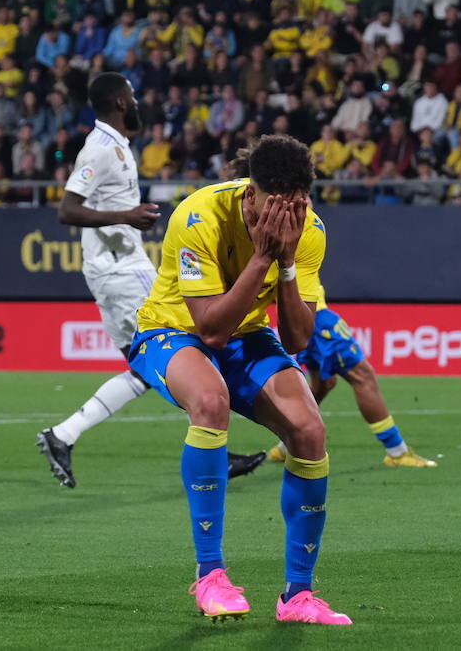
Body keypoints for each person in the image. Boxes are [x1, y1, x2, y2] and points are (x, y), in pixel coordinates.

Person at [129, 134, 351, 625]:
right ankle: (211, 575)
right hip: (171, 330)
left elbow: (295, 339)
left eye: (295, 207)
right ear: (251, 194)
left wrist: (287, 262)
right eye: (272, 209)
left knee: (310, 430)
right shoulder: (198, 216)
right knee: (211, 399)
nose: (281, 220)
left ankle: (298, 596)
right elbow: (209, 328)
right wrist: (261, 257)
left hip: (246, 334)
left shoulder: (307, 230)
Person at [36, 72, 265, 488]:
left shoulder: (118, 146)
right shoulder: (100, 149)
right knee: (180, 347)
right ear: (122, 103)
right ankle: (213, 447)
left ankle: (63, 435)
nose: (138, 102)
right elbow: (67, 210)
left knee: (147, 366)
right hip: (120, 269)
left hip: (121, 266)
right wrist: (127, 216)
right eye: (133, 96)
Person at [265, 286, 437, 469]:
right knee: (363, 377)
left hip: (305, 315)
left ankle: (287, 444)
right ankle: (397, 451)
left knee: (325, 384)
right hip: (318, 317)